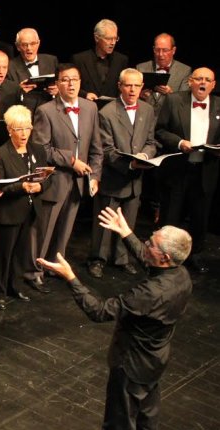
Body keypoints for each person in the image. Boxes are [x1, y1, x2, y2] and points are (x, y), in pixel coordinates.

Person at [38, 206, 192, 430]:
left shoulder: (149, 294)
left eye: (151, 243)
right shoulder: (180, 276)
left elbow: (99, 310)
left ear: (165, 256)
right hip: (154, 362)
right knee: (146, 422)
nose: (146, 243)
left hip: (131, 365)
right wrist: (126, 234)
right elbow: (149, 262)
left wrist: (70, 278)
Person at [30, 63, 102, 292]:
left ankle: (55, 267)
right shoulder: (46, 110)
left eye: (75, 79)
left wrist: (95, 176)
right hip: (56, 180)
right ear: (57, 84)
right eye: (65, 80)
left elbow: (97, 147)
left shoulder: (90, 108)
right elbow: (43, 149)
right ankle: (35, 271)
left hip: (80, 183)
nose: (71, 84)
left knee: (65, 231)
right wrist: (72, 161)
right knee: (45, 230)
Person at [89, 69, 157, 278]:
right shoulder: (107, 112)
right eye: (128, 85)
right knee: (105, 221)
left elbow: (151, 141)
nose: (133, 90)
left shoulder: (147, 109)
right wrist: (129, 165)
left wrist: (145, 155)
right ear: (120, 86)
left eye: (137, 85)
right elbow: (106, 149)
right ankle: (97, 260)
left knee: (129, 220)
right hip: (113, 176)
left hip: (136, 178)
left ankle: (121, 258)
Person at [155, 67, 220, 274]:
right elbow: (160, 130)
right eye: (199, 78)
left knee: (200, 216)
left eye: (207, 79)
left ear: (213, 84)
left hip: (205, 170)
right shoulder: (174, 100)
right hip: (178, 169)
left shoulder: (219, 105)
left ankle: (195, 255)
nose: (203, 82)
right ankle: (161, 257)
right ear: (190, 81)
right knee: (171, 215)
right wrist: (180, 142)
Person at [0, 105, 48, 310]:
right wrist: (21, 187)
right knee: (3, 254)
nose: (23, 134)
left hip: (30, 210)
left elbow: (45, 177)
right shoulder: (0, 154)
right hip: (9, 211)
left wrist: (40, 185)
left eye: (27, 128)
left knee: (21, 252)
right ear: (9, 130)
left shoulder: (37, 150)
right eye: (18, 129)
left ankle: (14, 286)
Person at [70, 19, 129, 102]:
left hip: (112, 111)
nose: (113, 43)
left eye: (115, 38)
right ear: (96, 38)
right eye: (108, 38)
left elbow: (124, 87)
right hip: (87, 108)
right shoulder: (79, 59)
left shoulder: (121, 60)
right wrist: (85, 94)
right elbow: (71, 86)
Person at [137, 33, 192, 116]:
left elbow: (184, 100)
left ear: (173, 50)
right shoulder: (141, 68)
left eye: (165, 50)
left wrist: (171, 94)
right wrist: (140, 95)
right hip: (145, 116)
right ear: (153, 49)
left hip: (170, 118)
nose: (160, 54)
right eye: (157, 50)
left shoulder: (184, 70)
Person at [7, 28, 59, 112]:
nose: (29, 48)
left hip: (50, 112)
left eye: (33, 43)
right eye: (24, 44)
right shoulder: (10, 66)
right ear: (18, 47)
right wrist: (19, 91)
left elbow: (61, 85)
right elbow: (5, 96)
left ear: (38, 43)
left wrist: (57, 90)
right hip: (24, 115)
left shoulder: (51, 60)